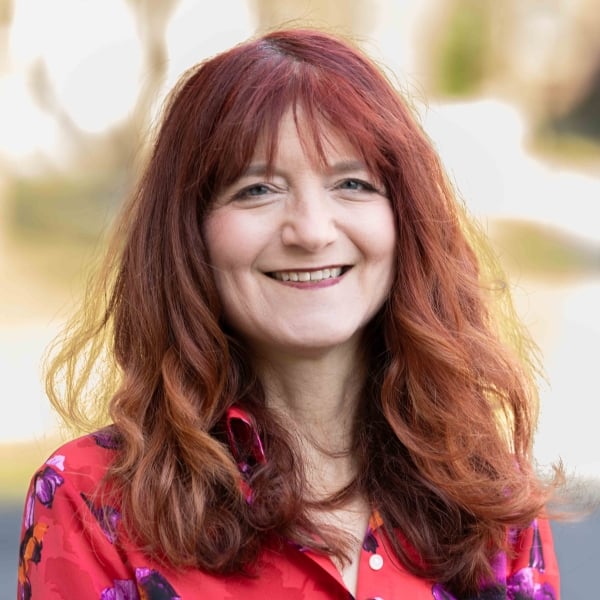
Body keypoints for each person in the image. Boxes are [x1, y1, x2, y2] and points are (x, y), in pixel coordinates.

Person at [17, 27, 562, 599]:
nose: (312, 231)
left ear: (405, 221)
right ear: (188, 233)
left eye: (352, 183)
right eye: (257, 190)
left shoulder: (491, 501)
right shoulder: (89, 503)